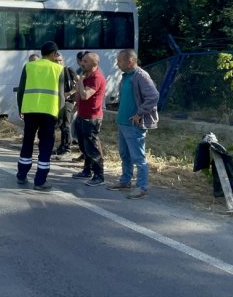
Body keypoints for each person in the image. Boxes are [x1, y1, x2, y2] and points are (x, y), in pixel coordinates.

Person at [107, 49, 159, 199]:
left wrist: (139, 114)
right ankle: (125, 181)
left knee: (138, 157)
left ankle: (142, 187)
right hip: (123, 123)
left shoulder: (141, 76)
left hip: (134, 125)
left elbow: (153, 96)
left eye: (120, 61)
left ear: (130, 61)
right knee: (125, 155)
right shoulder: (126, 76)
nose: (117, 64)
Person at [16, 41, 65, 191]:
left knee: (27, 142)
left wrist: (21, 109)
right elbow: (61, 96)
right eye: (56, 53)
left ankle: (22, 175)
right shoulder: (58, 69)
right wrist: (61, 116)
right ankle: (40, 180)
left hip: (30, 111)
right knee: (45, 145)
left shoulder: (29, 66)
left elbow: (21, 90)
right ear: (53, 54)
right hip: (49, 112)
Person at [70, 52, 107, 186]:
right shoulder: (87, 76)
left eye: (85, 61)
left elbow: (85, 95)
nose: (82, 63)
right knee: (84, 145)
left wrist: (79, 80)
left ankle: (99, 175)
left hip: (92, 117)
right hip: (82, 114)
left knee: (92, 146)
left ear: (94, 63)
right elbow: (79, 95)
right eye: (82, 61)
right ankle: (87, 170)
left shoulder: (96, 77)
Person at [53, 53, 77, 157]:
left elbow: (79, 83)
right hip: (57, 102)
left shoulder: (68, 70)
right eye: (56, 61)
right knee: (61, 125)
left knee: (66, 125)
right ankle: (62, 146)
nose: (58, 63)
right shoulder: (53, 71)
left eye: (60, 60)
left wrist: (69, 93)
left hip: (68, 102)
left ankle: (67, 148)